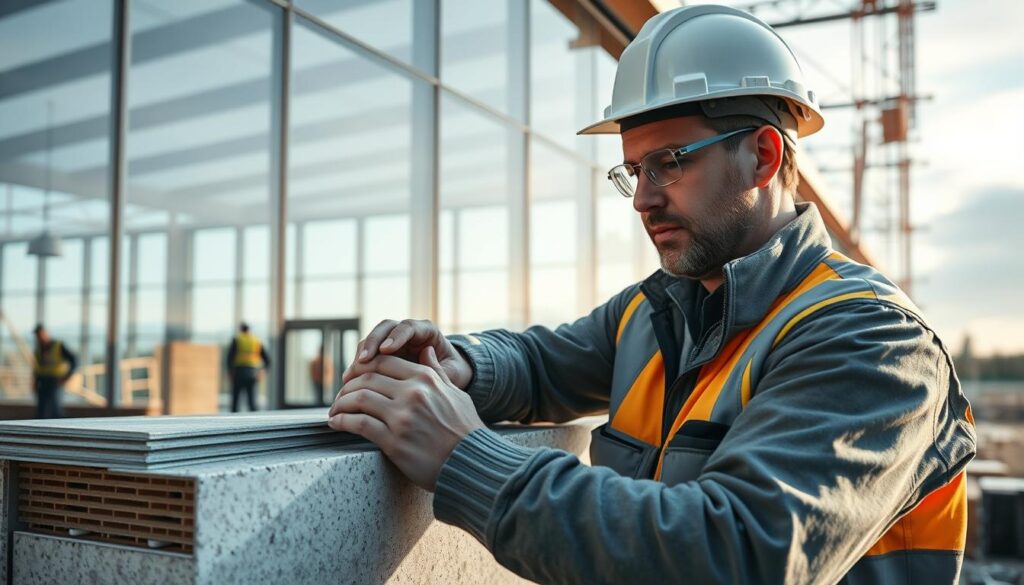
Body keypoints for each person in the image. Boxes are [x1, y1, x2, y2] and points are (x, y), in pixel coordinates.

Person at [328, 5, 976, 584]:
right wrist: (458, 361)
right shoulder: (660, 306)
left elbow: (733, 552)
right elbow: (544, 363)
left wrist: (465, 459)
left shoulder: (871, 339)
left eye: (669, 162)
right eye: (634, 170)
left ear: (765, 156)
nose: (642, 198)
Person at [32, 323, 77, 419]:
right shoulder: (38, 350)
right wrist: (35, 382)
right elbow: (37, 368)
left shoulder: (58, 346)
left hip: (55, 382)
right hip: (43, 383)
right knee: (42, 411)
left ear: (45, 333)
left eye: (40, 335)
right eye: (37, 336)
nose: (39, 338)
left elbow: (74, 360)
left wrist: (67, 377)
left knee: (54, 410)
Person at [226, 322, 270, 413]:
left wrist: (229, 372)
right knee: (252, 401)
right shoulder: (256, 341)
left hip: (239, 372)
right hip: (253, 372)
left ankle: (233, 421)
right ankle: (254, 421)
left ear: (241, 329)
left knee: (236, 401)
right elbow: (267, 360)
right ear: (249, 330)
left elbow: (229, 358)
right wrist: (263, 371)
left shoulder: (237, 339)